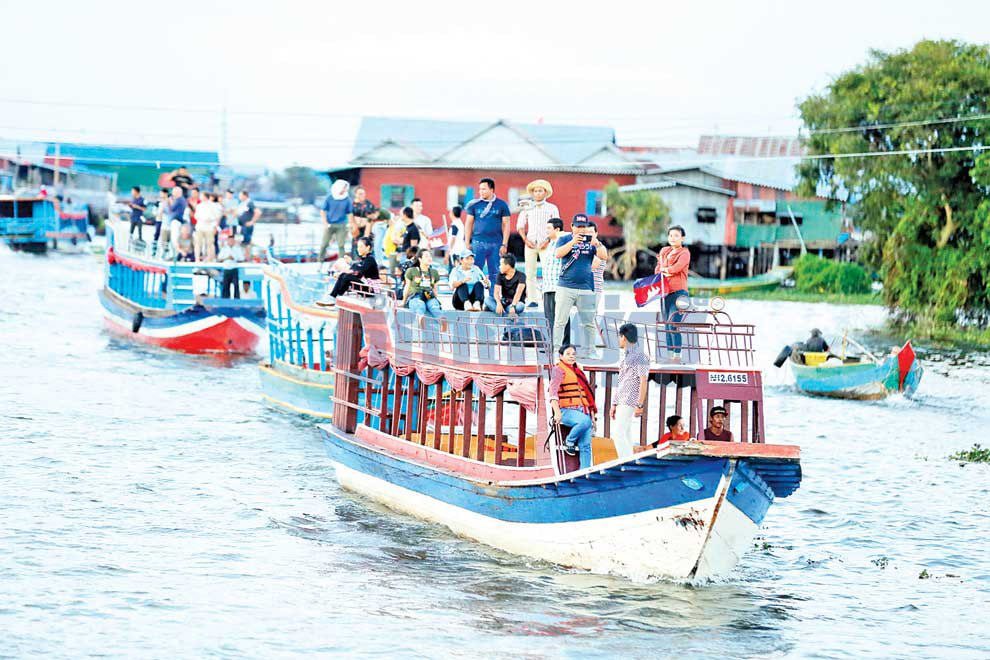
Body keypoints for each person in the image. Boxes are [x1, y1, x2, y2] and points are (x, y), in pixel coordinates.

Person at [553, 214, 607, 358]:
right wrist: (573, 242)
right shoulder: (564, 239)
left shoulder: (592, 241)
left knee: (588, 322)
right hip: (565, 286)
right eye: (578, 226)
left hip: (587, 287)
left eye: (583, 227)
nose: (581, 230)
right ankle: (556, 351)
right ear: (572, 226)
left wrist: (596, 243)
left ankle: (590, 351)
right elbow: (558, 254)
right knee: (560, 321)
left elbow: (604, 256)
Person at [549, 344, 597, 469]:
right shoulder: (558, 370)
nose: (571, 356)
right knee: (585, 421)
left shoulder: (577, 370)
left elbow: (586, 394)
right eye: (568, 354)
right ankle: (569, 441)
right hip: (566, 411)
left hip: (583, 410)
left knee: (586, 445)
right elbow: (552, 392)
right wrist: (557, 412)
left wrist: (592, 416)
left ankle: (585, 472)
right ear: (561, 356)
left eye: (573, 354)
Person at [609, 323, 650, 458]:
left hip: (630, 399)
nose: (619, 340)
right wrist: (614, 403)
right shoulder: (627, 356)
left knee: (618, 433)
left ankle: (624, 461)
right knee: (625, 433)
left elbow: (643, 381)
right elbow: (622, 382)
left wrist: (640, 404)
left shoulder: (641, 356)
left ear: (624, 337)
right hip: (623, 399)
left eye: (619, 337)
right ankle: (627, 459)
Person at [516, 179, 559, 301]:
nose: (538, 193)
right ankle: (532, 300)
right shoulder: (527, 207)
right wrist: (525, 239)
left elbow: (557, 226)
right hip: (530, 244)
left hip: (547, 244)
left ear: (545, 192)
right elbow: (520, 225)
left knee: (548, 271)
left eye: (540, 191)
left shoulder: (552, 208)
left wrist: (548, 240)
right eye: (535, 191)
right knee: (530, 273)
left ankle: (548, 298)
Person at [464, 177, 512, 278]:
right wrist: (467, 242)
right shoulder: (474, 205)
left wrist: (504, 244)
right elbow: (468, 223)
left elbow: (506, 225)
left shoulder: (502, 205)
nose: (481, 191)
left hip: (496, 243)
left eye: (484, 189)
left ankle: (493, 294)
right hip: (478, 243)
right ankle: (477, 294)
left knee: (495, 271)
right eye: (480, 189)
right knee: (475, 270)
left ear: (492, 190)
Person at [656, 225, 691, 361]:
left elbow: (677, 268)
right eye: (671, 235)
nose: (673, 238)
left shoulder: (685, 252)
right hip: (665, 293)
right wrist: (663, 270)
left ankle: (677, 355)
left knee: (674, 324)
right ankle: (669, 355)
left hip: (679, 294)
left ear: (682, 238)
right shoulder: (664, 250)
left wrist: (665, 270)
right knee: (666, 324)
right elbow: (657, 269)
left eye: (676, 235)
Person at [542, 217, 571, 346]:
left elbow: (571, 234)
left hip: (558, 286)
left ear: (557, 229)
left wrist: (560, 234)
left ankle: (564, 346)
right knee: (549, 319)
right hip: (547, 287)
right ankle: (552, 344)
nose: (546, 230)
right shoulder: (550, 244)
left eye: (549, 228)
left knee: (562, 317)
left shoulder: (563, 241)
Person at [325, 236, 380, 302]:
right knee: (344, 275)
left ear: (368, 247)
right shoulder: (364, 259)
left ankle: (334, 297)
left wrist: (351, 262)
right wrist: (341, 274)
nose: (358, 249)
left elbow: (361, 269)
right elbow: (358, 273)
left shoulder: (370, 259)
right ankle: (334, 295)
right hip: (366, 286)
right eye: (358, 247)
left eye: (361, 247)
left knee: (347, 277)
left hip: (372, 289)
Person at [403, 248, 442, 318]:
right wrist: (404, 302)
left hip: (429, 296)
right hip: (415, 296)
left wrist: (436, 300)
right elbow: (407, 287)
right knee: (420, 306)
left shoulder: (434, 272)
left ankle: (443, 322)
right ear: (420, 259)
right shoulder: (411, 270)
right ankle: (420, 321)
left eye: (430, 256)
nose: (429, 258)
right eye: (426, 256)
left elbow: (435, 289)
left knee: (435, 308)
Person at [320, 179, 353, 261]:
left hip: (341, 225)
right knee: (324, 244)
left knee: (341, 245)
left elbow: (350, 213)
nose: (345, 190)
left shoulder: (347, 199)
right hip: (329, 224)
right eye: (343, 188)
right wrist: (325, 223)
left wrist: (350, 224)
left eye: (346, 188)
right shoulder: (330, 198)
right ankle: (320, 261)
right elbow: (323, 211)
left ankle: (341, 261)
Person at [193, 192, 222, 261]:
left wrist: (212, 222)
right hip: (200, 226)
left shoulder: (213, 205)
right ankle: (197, 259)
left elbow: (217, 216)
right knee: (198, 243)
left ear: (205, 197)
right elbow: (196, 216)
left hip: (209, 227)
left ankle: (210, 258)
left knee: (210, 244)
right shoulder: (199, 206)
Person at [217, 230, 242, 298]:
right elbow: (219, 259)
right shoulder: (224, 249)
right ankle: (225, 300)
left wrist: (234, 258)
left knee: (236, 285)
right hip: (226, 269)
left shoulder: (237, 249)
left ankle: (237, 300)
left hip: (234, 268)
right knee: (225, 286)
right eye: (229, 240)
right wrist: (227, 258)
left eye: (232, 240)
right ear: (227, 241)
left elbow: (241, 259)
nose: (231, 242)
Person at [154, 189, 171, 257]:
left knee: (167, 236)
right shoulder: (158, 202)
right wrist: (158, 214)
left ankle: (166, 251)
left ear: (165, 193)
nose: (161, 195)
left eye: (162, 193)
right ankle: (154, 250)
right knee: (157, 235)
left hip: (167, 221)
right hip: (159, 220)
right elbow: (154, 211)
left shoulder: (169, 201)